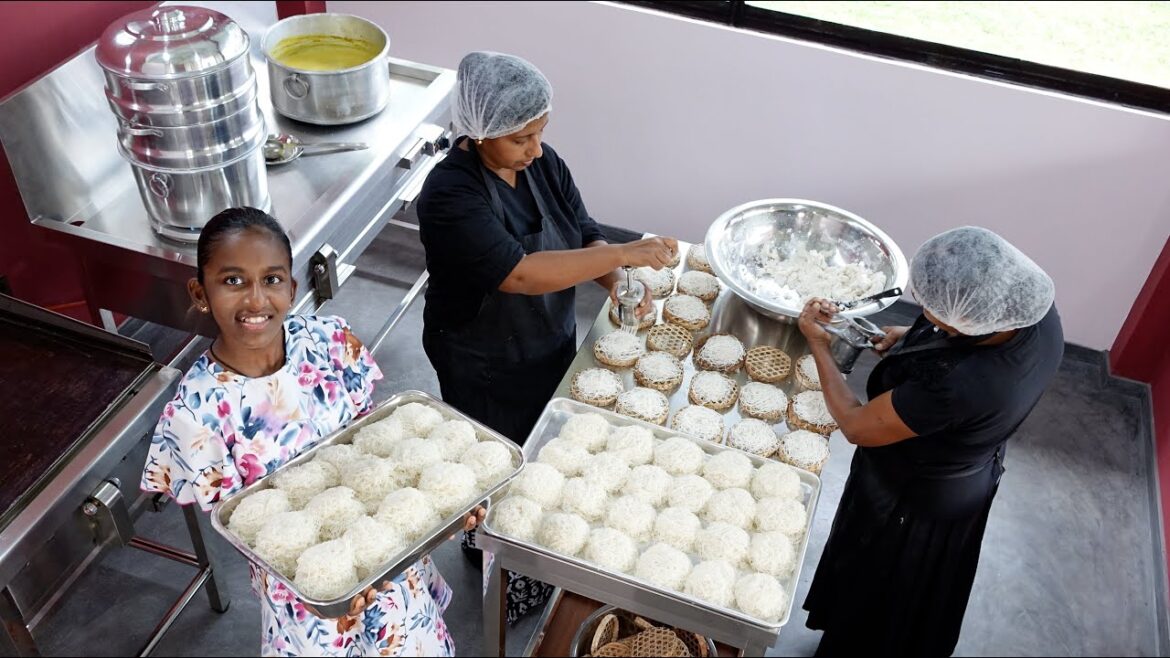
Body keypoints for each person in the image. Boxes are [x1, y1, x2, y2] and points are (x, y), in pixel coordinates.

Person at [140, 207, 481, 657]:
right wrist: (331, 585)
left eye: (272, 279)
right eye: (233, 280)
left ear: (292, 287)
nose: (256, 300)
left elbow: (379, 443)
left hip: (388, 553)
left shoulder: (328, 342)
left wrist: (442, 508)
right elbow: (241, 527)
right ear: (200, 292)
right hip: (307, 597)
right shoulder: (195, 412)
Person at [797, 226, 1063, 657]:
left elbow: (857, 426)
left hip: (915, 501)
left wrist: (819, 346)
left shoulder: (963, 387)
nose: (924, 311)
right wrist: (910, 339)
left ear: (965, 319)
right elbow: (960, 341)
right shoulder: (1034, 311)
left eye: (932, 309)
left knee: (877, 598)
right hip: (966, 471)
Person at [416, 51, 677, 444]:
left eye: (541, 132)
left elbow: (584, 232)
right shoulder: (449, 194)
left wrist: (617, 282)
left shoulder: (543, 164)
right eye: (520, 139)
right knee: (497, 451)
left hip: (549, 340)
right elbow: (519, 274)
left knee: (548, 437)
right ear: (481, 131)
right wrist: (623, 254)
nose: (535, 149)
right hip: (484, 365)